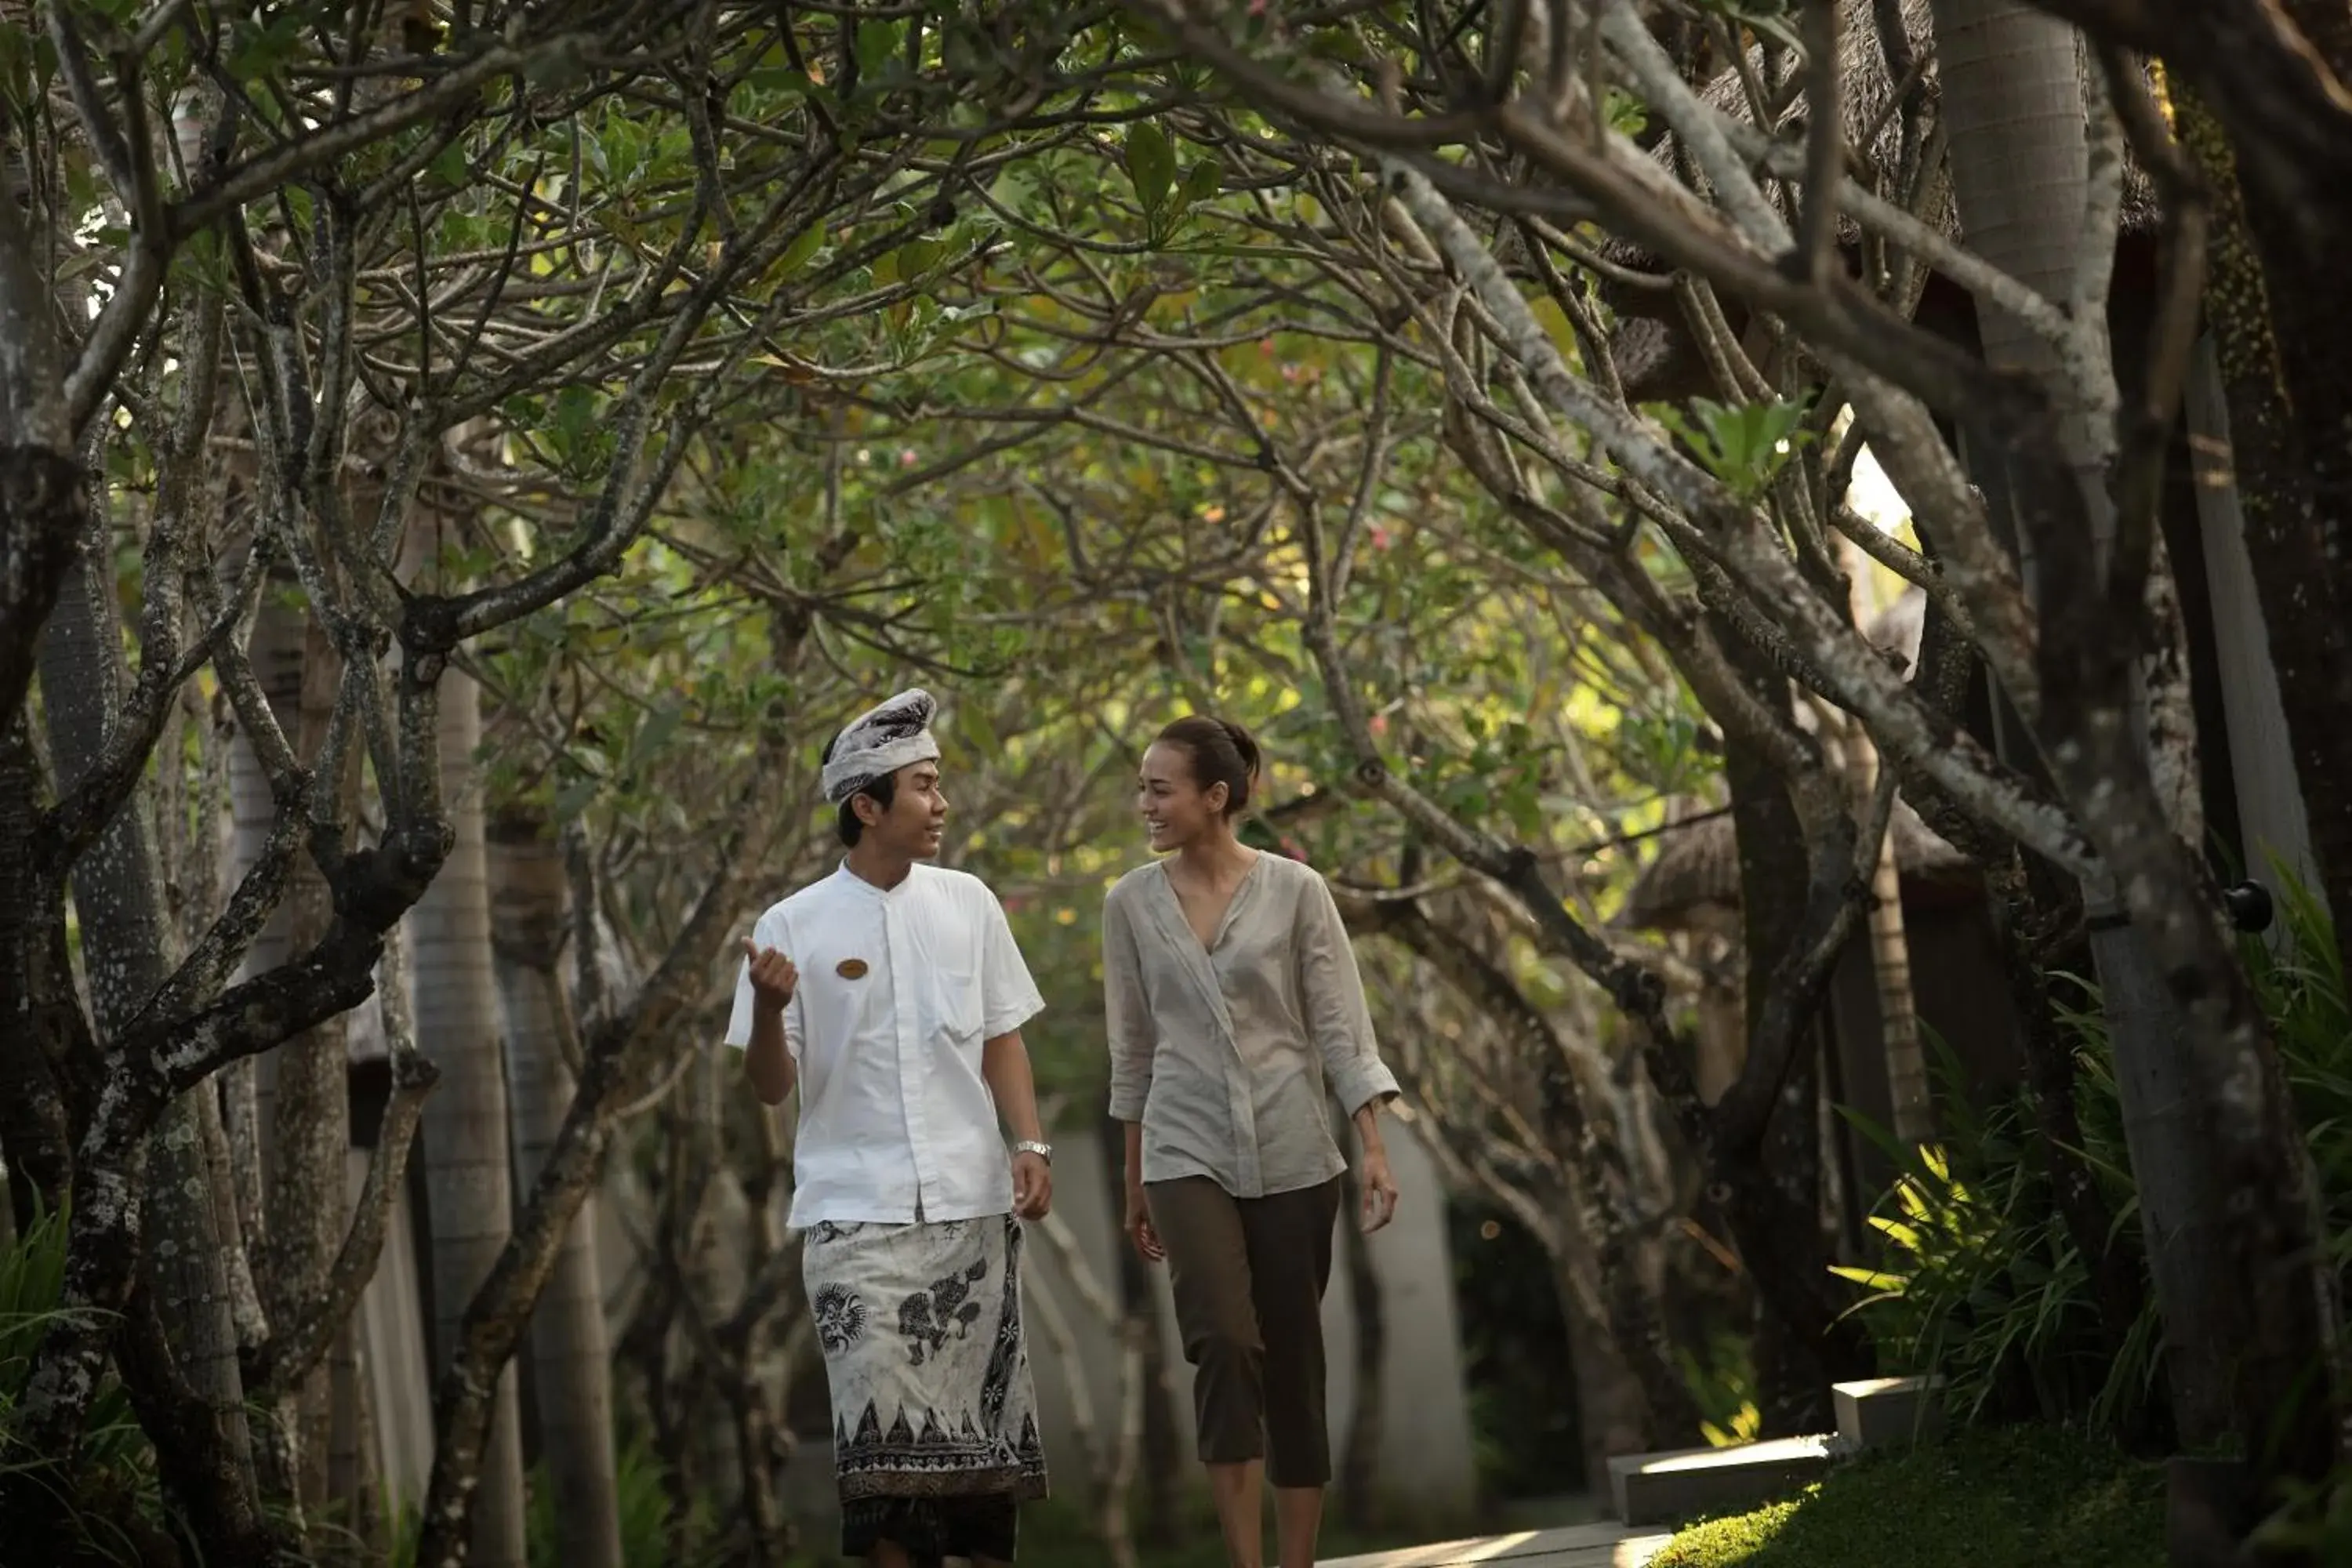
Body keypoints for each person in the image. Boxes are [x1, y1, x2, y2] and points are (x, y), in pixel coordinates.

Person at [726, 688, 1054, 1568]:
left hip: (970, 1214)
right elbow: (769, 1087)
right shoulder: (790, 924)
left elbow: (1003, 1038)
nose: (941, 803)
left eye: (939, 783)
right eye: (922, 786)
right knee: (878, 1465)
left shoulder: (971, 902)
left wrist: (1028, 1143)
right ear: (866, 806)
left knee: (984, 1467)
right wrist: (767, 1009)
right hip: (854, 1221)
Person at [1102, 715, 1403, 1568]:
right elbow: (1131, 1051)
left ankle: (1296, 1560)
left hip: (1295, 1148)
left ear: (1216, 796)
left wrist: (1372, 1145)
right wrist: (1135, 1183)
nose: (1145, 803)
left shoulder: (1297, 892)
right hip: (1181, 1149)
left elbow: (1340, 1028)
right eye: (1142, 786)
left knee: (1293, 1356)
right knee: (1225, 1342)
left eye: (1160, 788)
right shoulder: (1128, 903)